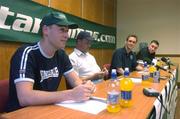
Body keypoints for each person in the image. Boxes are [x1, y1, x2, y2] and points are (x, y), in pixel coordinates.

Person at [5, 12, 95, 112]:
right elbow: (25, 97)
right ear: (45, 30)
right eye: (62, 30)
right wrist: (71, 94)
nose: (67, 36)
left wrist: (85, 87)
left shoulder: (61, 54)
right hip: (20, 113)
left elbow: (75, 81)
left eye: (67, 31)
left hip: (46, 109)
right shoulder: (26, 53)